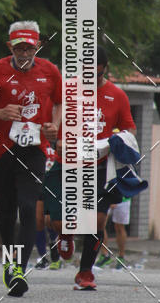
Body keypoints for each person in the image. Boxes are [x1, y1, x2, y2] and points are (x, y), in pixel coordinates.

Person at [0, 21, 62, 297]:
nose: (24, 53)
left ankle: (19, 269)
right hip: (2, 150)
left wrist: (53, 125)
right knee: (8, 211)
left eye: (29, 48)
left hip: (33, 148)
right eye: (19, 48)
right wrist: (0, 114)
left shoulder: (50, 71)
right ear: (10, 47)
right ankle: (10, 261)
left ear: (38, 47)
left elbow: (59, 103)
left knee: (28, 206)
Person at [44, 45, 136, 290]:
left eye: (94, 74)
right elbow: (50, 121)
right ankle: (64, 235)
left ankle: (85, 273)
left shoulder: (117, 96)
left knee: (96, 221)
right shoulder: (68, 90)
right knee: (59, 223)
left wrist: (118, 141)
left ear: (104, 69)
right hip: (67, 163)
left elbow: (129, 128)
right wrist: (56, 140)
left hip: (99, 166)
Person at [96, 200, 131, 269]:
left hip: (123, 198)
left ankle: (121, 257)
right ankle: (105, 255)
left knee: (119, 227)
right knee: (100, 225)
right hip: (106, 197)